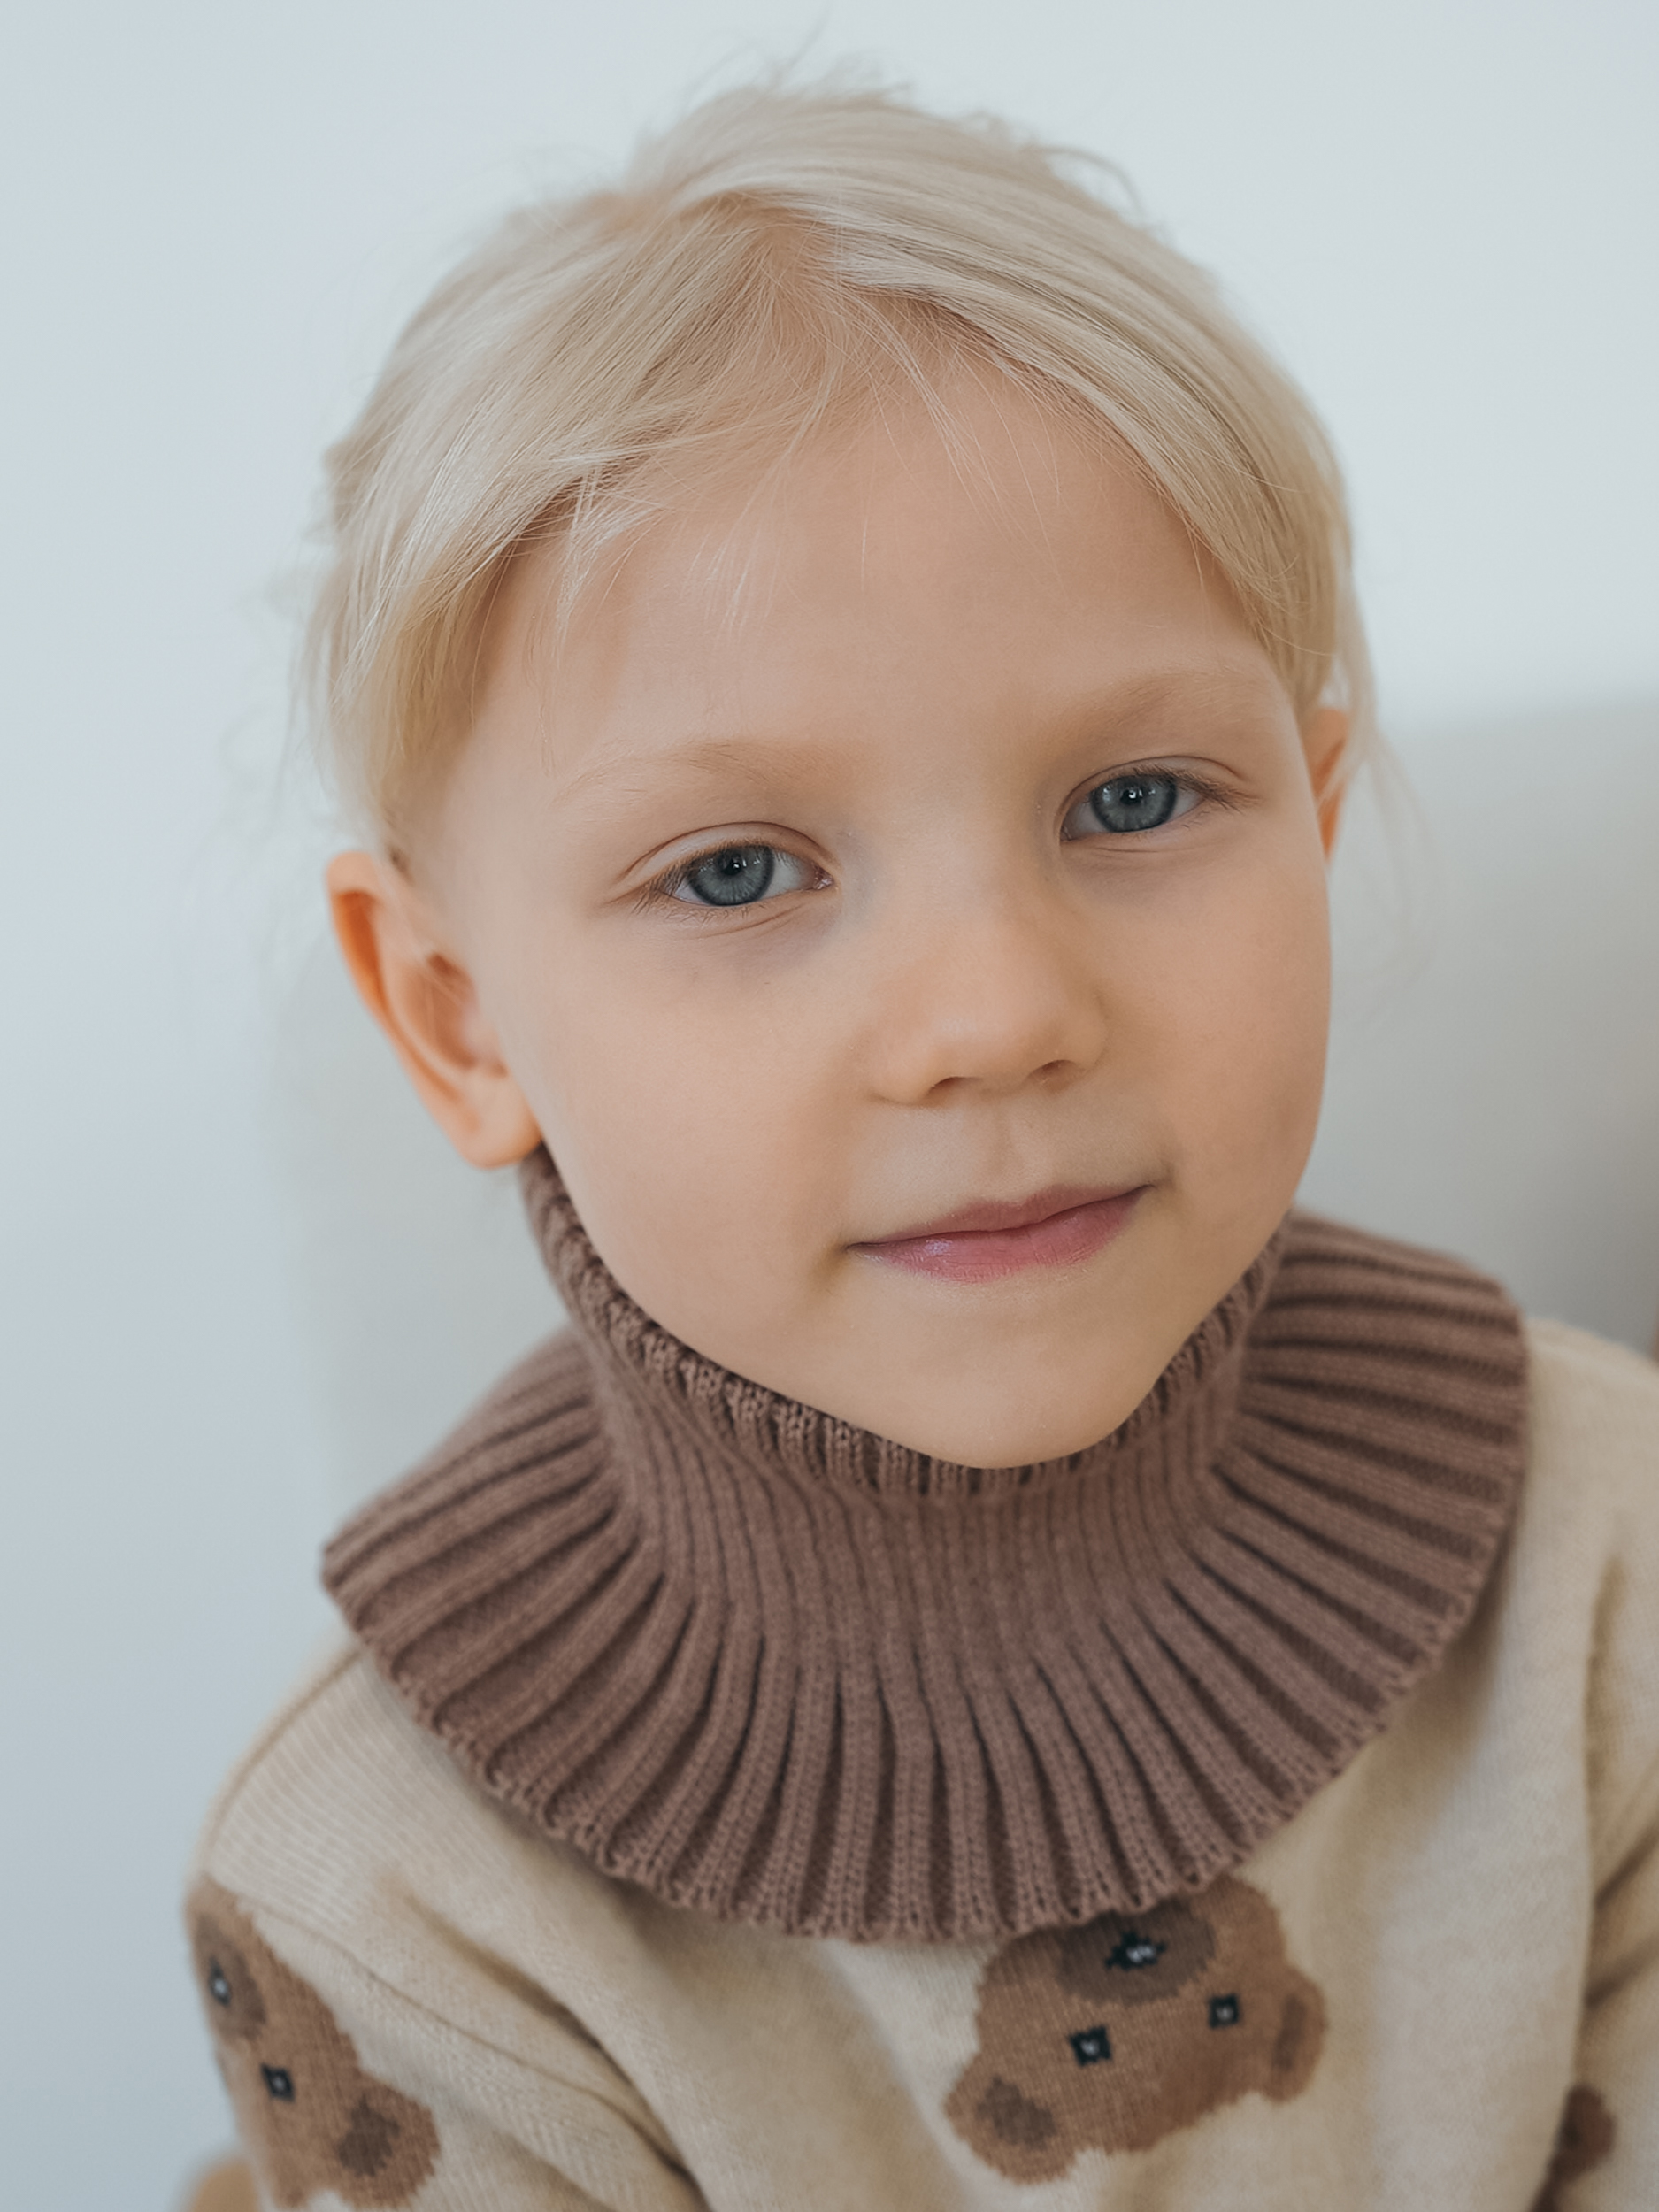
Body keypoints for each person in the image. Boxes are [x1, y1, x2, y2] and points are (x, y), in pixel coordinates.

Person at [184, 79, 1659, 2209]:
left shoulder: (1607, 1568)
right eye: (734, 870)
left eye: (1131, 800)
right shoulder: (385, 1899)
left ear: (1314, 824)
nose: (992, 1015)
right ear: (454, 1013)